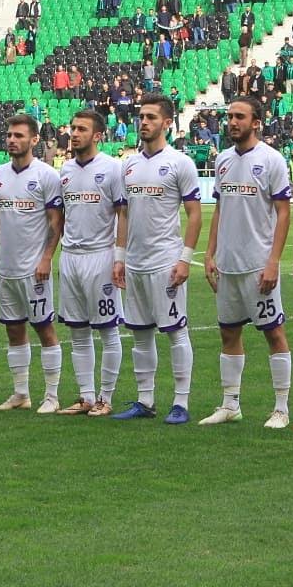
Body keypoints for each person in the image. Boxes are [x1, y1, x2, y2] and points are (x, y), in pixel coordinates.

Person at [200, 97, 293, 428]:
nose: (232, 122)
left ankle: (281, 408)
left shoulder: (271, 159)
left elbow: (284, 212)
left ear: (256, 122)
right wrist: (210, 254)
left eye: (240, 116)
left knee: (274, 333)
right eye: (230, 116)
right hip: (228, 265)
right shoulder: (223, 159)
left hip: (257, 264)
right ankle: (230, 405)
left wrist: (273, 262)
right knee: (229, 333)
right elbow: (220, 209)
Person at [112, 93, 201, 424]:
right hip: (135, 262)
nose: (144, 122)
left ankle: (181, 402)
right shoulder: (129, 165)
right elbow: (124, 214)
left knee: (176, 332)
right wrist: (119, 257)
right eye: (141, 116)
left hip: (166, 260)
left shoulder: (180, 163)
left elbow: (194, 214)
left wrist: (185, 258)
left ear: (166, 122)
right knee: (140, 333)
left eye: (151, 117)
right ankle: (145, 400)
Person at [0, 114, 64, 413]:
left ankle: (52, 396)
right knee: (14, 329)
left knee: (45, 329)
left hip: (34, 269)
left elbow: (55, 222)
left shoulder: (47, 176)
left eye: (19, 135)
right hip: (7, 268)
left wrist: (46, 259)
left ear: (34, 140)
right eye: (9, 135)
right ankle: (21, 394)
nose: (12, 140)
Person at [56, 109, 125, 417]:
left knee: (108, 330)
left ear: (97, 135)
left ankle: (105, 397)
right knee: (78, 331)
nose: (74, 133)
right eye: (73, 128)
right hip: (70, 257)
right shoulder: (65, 169)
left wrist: (119, 257)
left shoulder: (112, 168)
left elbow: (123, 214)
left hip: (100, 256)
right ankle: (85, 396)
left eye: (81, 129)